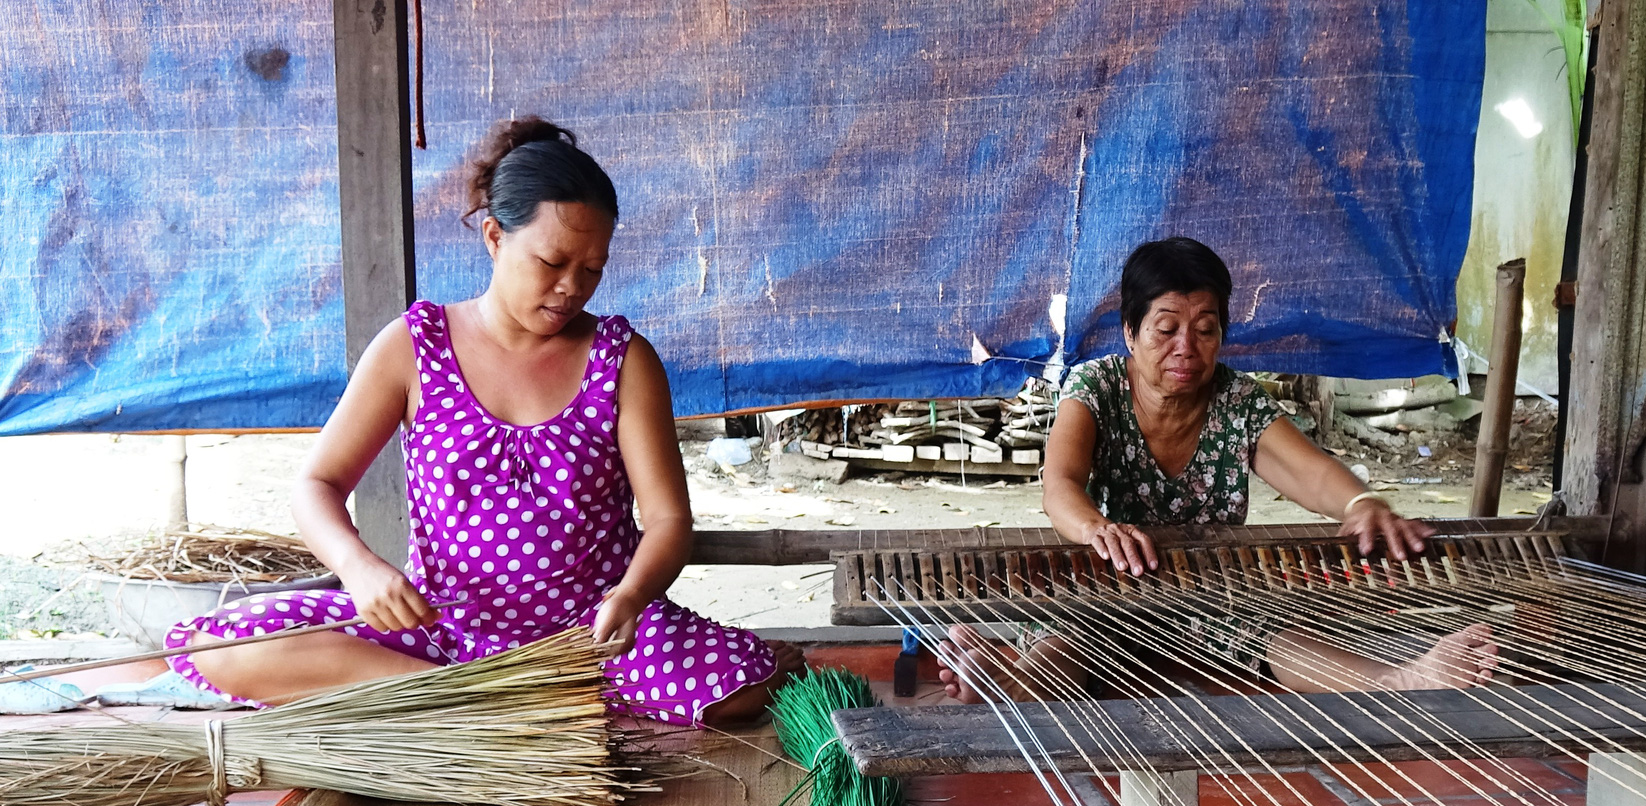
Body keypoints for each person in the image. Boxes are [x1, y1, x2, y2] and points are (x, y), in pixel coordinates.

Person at [154, 117, 801, 724]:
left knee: (751, 683)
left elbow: (667, 520)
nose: (572, 287)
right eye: (551, 263)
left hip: (596, 645)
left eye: (592, 269)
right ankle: (479, 707)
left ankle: (465, 711)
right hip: (440, 635)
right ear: (495, 236)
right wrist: (359, 568)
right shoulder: (414, 348)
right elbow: (314, 486)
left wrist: (630, 599)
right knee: (225, 647)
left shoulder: (622, 360)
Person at [939, 237, 1500, 703]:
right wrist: (1097, 531)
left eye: (1205, 329)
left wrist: (1362, 505)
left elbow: (1308, 470)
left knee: (1273, 638)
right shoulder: (1096, 389)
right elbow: (1059, 483)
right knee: (1074, 639)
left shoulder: (1236, 402)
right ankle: (1005, 676)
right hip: (1107, 585)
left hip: (1212, 596)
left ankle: (1403, 681)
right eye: (1166, 329)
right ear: (1130, 334)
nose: (1187, 347)